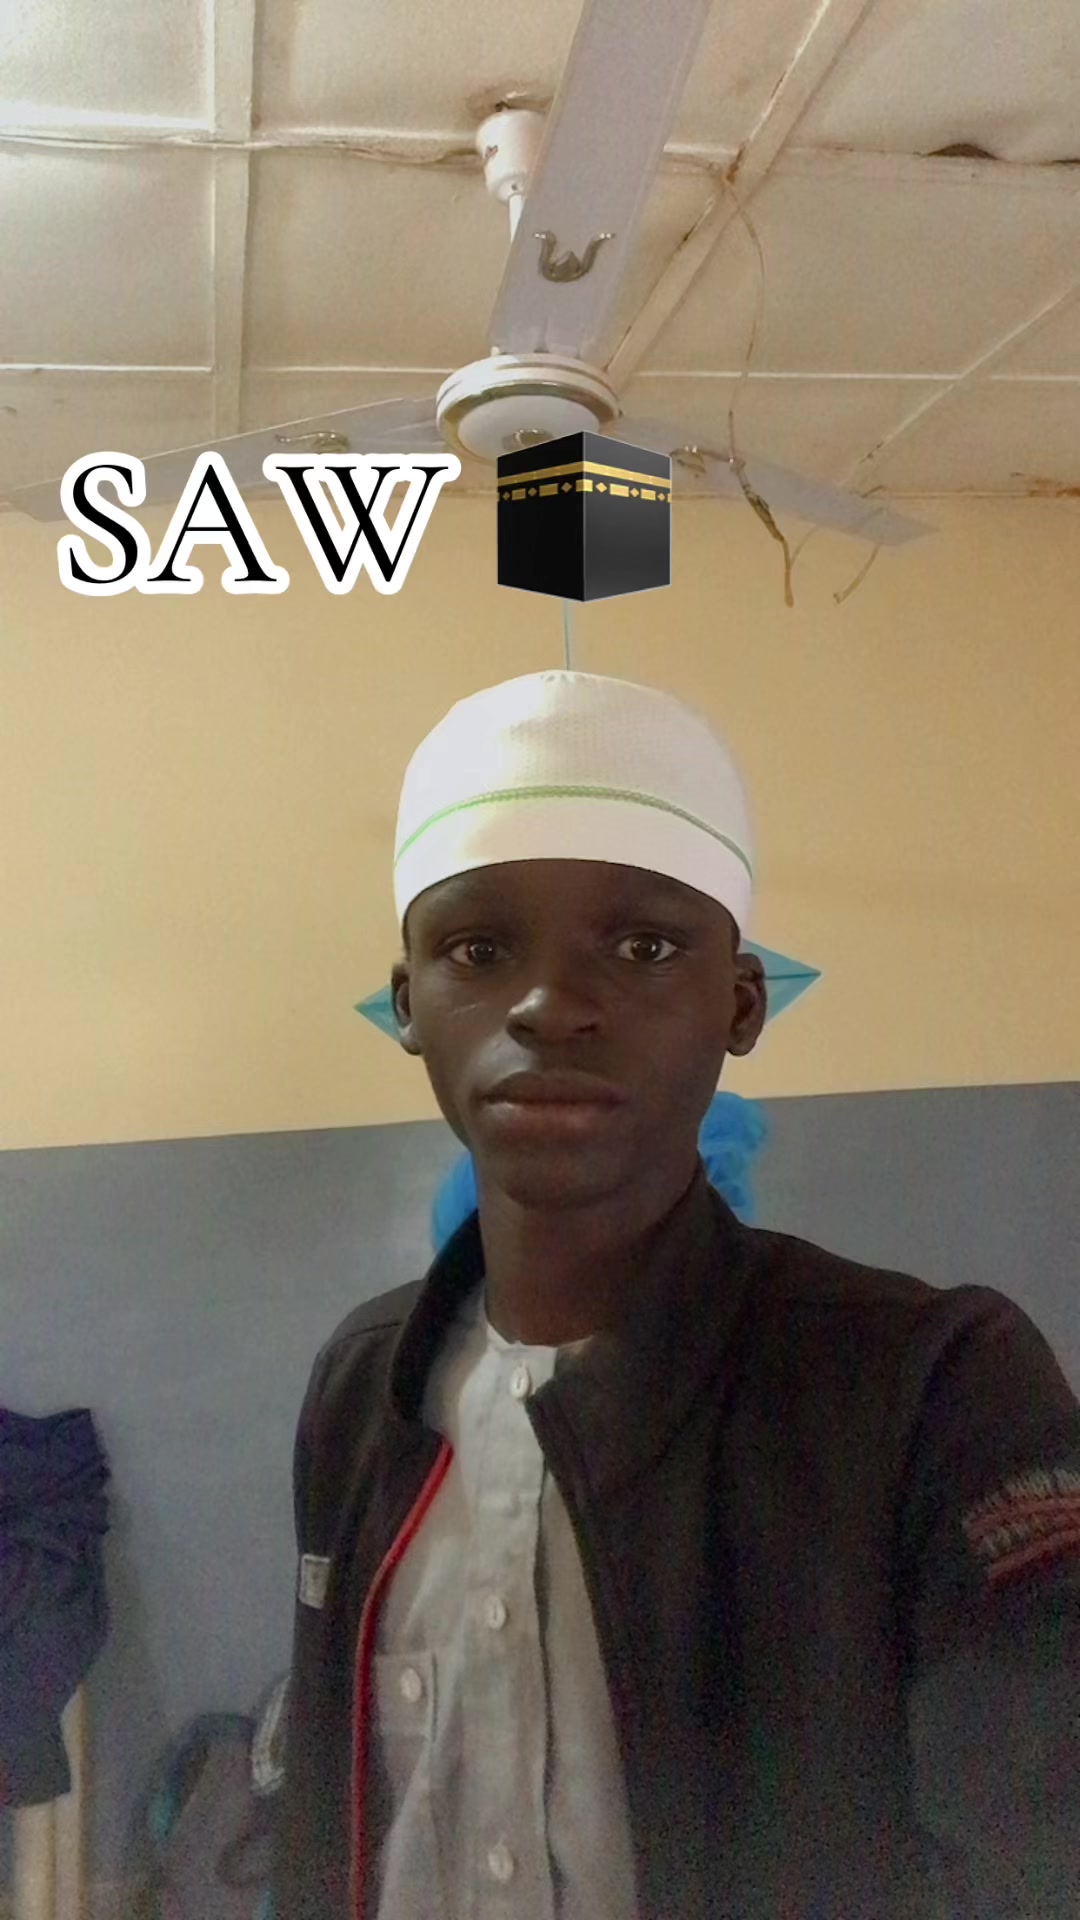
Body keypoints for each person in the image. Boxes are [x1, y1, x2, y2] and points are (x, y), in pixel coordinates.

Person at [273, 670, 1080, 1920]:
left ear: (739, 1004)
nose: (548, 1006)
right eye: (479, 951)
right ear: (409, 1007)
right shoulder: (364, 1384)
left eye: (644, 947)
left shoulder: (936, 1389)